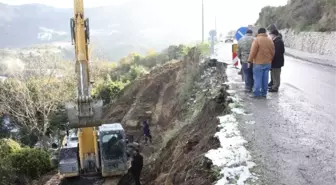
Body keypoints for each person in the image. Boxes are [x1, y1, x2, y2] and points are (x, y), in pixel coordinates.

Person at [247, 28, 275, 98]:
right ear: (265, 32)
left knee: (257, 79)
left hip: (258, 63)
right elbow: (273, 52)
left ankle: (257, 94)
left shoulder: (256, 40)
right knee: (265, 79)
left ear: (258, 33)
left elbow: (253, 52)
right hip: (268, 63)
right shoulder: (270, 40)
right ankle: (264, 93)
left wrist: (249, 61)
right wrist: (270, 59)